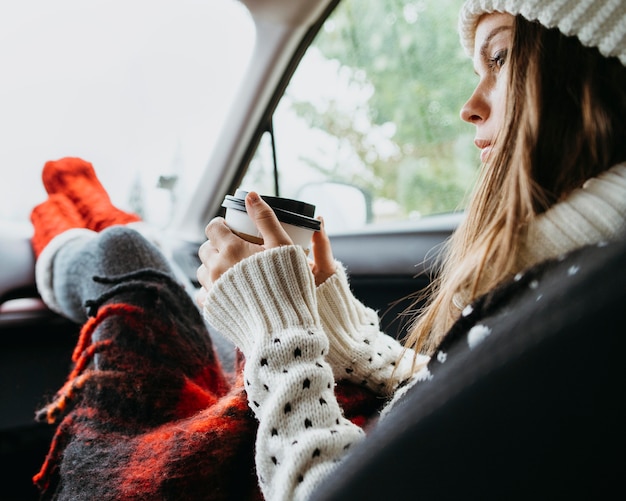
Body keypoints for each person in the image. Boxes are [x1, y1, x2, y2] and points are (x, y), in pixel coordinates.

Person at [28, 1, 626, 501]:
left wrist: (277, 330)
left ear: (592, 69)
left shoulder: (596, 309)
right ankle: (85, 235)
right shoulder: (577, 277)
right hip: (345, 427)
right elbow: (458, 399)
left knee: (128, 264)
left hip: (311, 451)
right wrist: (335, 329)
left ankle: (69, 242)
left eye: (499, 58)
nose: (469, 105)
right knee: (138, 264)